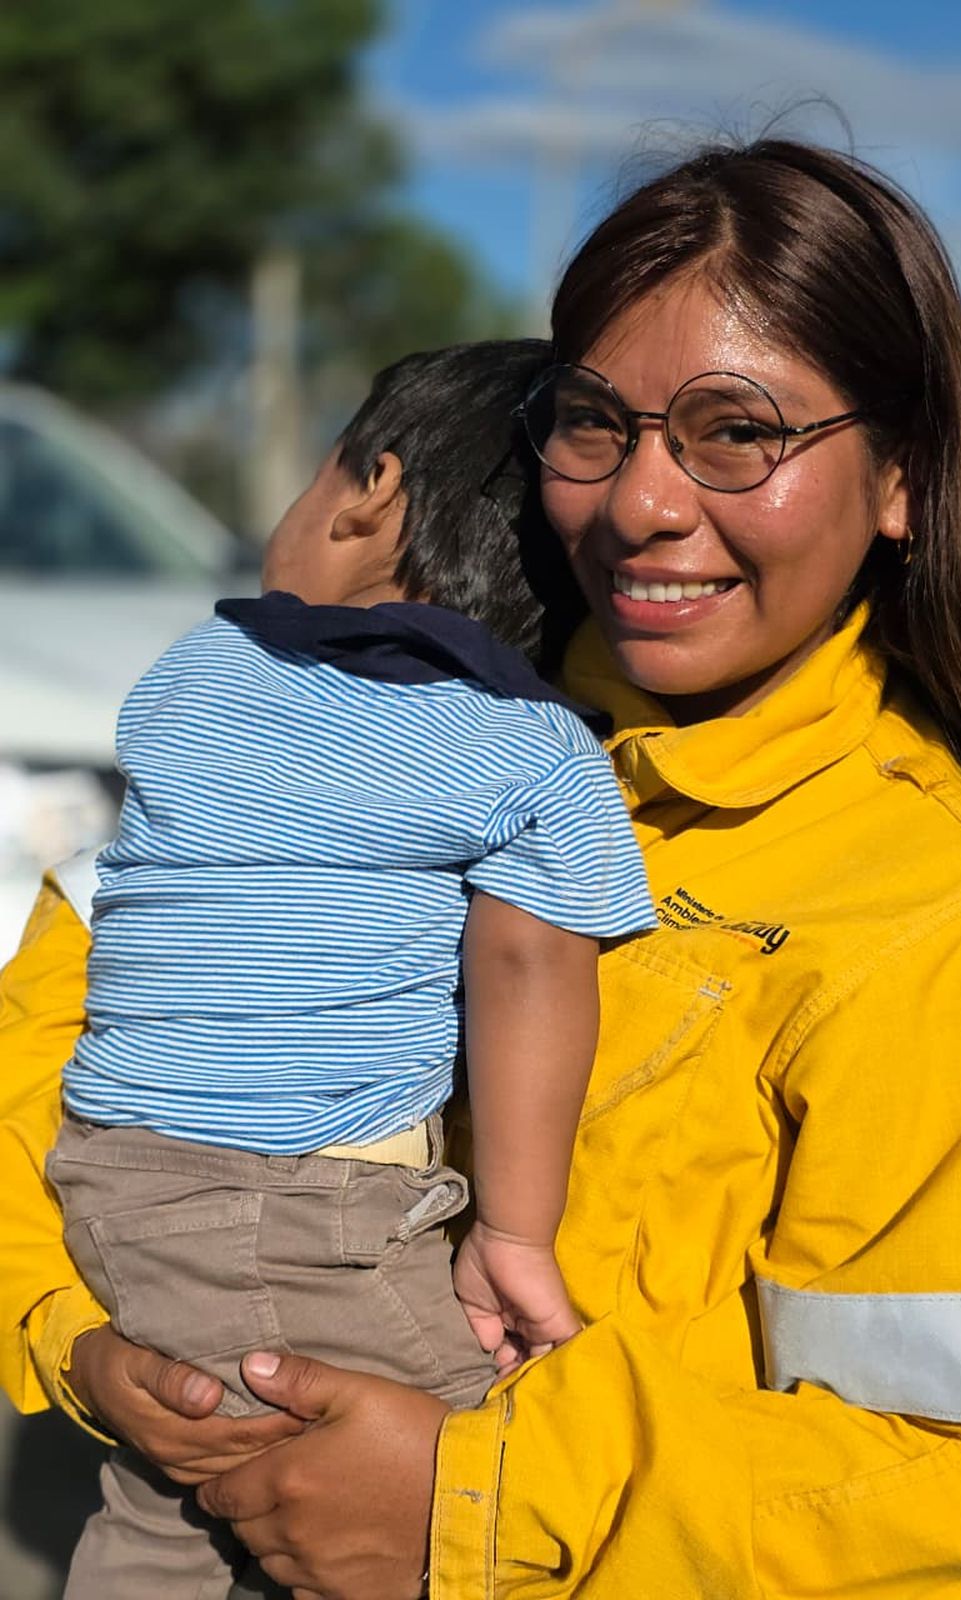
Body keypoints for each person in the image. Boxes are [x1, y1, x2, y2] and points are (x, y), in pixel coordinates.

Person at [3, 138, 961, 1600]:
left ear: (904, 479)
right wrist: (73, 1336)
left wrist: (470, 1499)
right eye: (598, 424)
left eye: (735, 431)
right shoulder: (383, 715)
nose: (641, 502)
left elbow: (955, 1468)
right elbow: (47, 1037)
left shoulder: (938, 913)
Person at [31, 337, 656, 1598]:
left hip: (112, 1175)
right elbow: (532, 965)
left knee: (181, 1498)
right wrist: (517, 1237)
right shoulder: (528, 753)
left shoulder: (191, 676)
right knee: (454, 1489)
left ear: (368, 491)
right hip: (300, 1203)